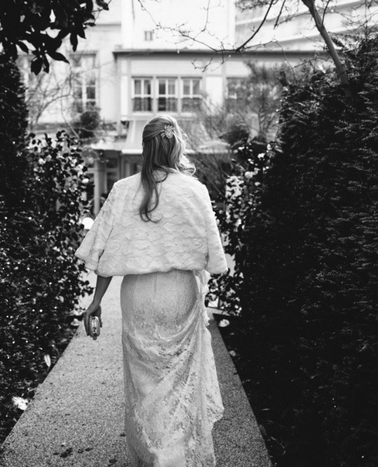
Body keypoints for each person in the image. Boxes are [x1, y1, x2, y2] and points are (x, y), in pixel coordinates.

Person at [75, 114, 228, 466]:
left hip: (138, 297)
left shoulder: (123, 190)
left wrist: (96, 303)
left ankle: (154, 454)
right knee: (179, 379)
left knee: (144, 381)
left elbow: (103, 251)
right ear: (177, 146)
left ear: (144, 147)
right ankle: (174, 454)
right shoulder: (195, 191)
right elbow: (213, 257)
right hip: (180, 294)